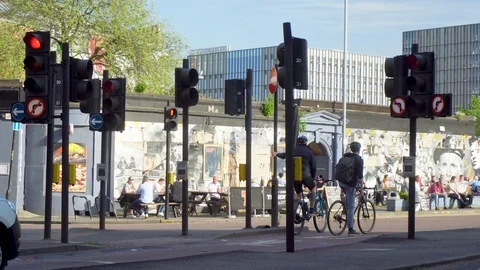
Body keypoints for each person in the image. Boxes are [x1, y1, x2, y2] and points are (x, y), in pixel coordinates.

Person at [272, 135, 317, 217]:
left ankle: (293, 213)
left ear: (297, 142)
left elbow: (284, 155)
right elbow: (313, 166)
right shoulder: (309, 152)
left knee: (298, 195)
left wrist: (276, 154)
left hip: (295, 176)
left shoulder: (293, 150)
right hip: (306, 175)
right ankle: (311, 210)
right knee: (313, 189)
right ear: (305, 143)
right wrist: (313, 178)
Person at [339, 141, 365, 236]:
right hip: (350, 183)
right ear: (359, 149)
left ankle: (344, 208)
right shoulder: (359, 160)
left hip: (341, 181)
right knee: (351, 206)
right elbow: (360, 177)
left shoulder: (345, 157)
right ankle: (351, 228)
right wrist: (361, 190)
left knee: (348, 200)